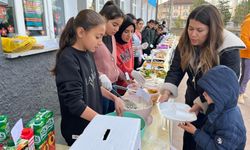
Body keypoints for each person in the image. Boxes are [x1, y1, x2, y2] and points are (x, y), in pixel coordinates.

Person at [159, 4, 245, 150]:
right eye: (190, 28)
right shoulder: (186, 42)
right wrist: (167, 91)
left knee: (206, 142)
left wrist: (202, 103)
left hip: (214, 109)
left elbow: (227, 87)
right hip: (191, 100)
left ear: (212, 31)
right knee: (190, 140)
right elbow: (176, 69)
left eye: (200, 30)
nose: (193, 34)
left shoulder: (228, 49)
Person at [51, 9, 124, 146]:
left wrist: (115, 98)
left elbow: (95, 85)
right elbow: (75, 105)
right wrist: (104, 121)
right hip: (78, 130)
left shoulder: (88, 52)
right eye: (97, 37)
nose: (100, 42)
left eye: (102, 37)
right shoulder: (68, 59)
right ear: (81, 32)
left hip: (92, 124)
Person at [179, 65, 246, 150]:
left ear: (220, 95)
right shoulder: (220, 106)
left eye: (208, 92)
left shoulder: (231, 127)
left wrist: (195, 132)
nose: (203, 94)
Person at [93, 1, 124, 113]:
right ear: (103, 18)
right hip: (100, 88)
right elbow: (87, 65)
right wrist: (100, 75)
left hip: (113, 86)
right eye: (114, 25)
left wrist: (126, 77)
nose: (116, 29)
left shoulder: (112, 37)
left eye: (119, 26)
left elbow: (112, 64)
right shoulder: (94, 39)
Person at [115, 15, 145, 94]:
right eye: (126, 31)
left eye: (132, 31)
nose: (129, 35)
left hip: (129, 83)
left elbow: (130, 61)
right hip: (118, 87)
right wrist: (130, 72)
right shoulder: (114, 45)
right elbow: (116, 67)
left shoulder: (129, 42)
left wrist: (132, 74)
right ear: (120, 30)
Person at [238, 13, 250, 104]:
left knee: (248, 75)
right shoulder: (248, 22)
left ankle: (242, 90)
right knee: (245, 75)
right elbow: (244, 38)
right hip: (247, 54)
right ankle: (240, 93)